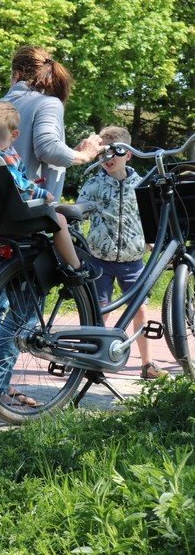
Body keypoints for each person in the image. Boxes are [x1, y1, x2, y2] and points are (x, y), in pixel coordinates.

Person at [0, 46, 102, 409]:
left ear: (15, 73)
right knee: (24, 310)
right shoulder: (47, 103)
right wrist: (84, 154)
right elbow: (50, 149)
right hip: (25, 224)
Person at [77, 126, 169, 380]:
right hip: (99, 260)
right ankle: (94, 363)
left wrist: (151, 240)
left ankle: (147, 364)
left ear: (128, 154)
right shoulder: (93, 183)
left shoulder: (142, 185)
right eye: (102, 154)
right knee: (100, 311)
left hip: (133, 260)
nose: (107, 160)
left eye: (114, 153)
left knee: (140, 310)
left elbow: (152, 216)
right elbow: (77, 214)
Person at [0, 101, 85, 274]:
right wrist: (42, 192)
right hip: (16, 215)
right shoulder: (1, 158)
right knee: (60, 220)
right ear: (14, 134)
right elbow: (18, 184)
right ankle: (76, 268)